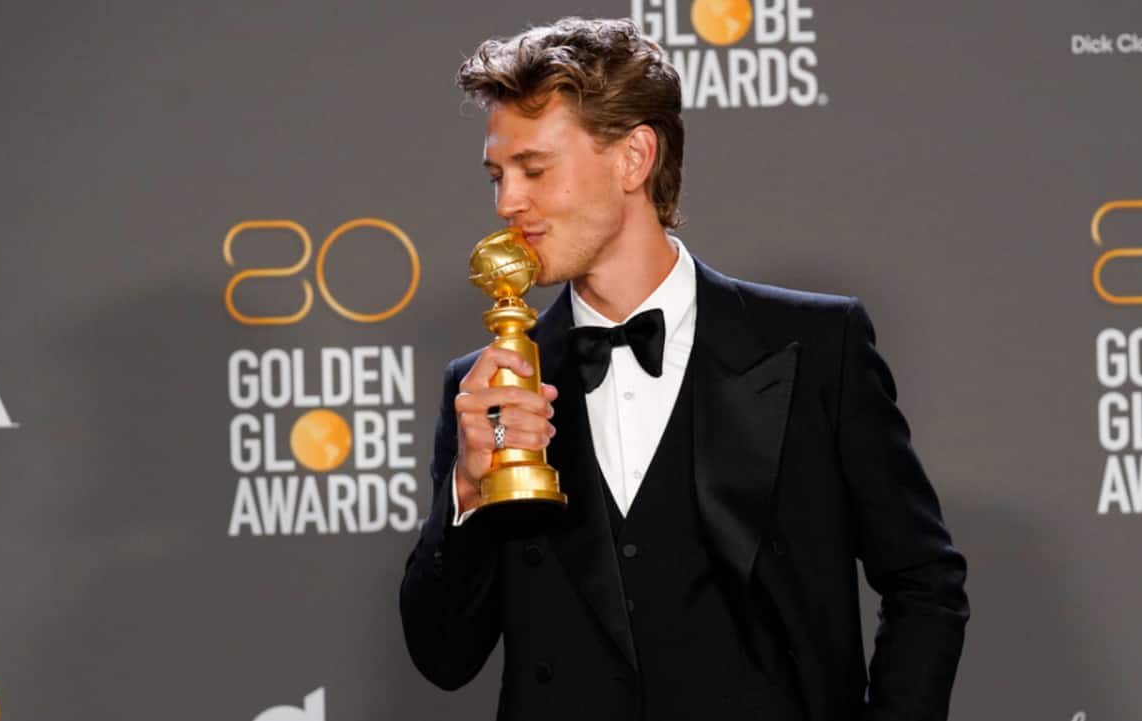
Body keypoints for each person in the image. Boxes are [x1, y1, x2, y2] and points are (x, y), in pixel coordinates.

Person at [400, 17, 968, 721]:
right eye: (498, 176)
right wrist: (468, 490)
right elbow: (443, 655)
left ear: (634, 158)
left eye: (535, 169)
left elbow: (925, 583)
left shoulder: (817, 346)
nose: (507, 202)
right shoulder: (486, 387)